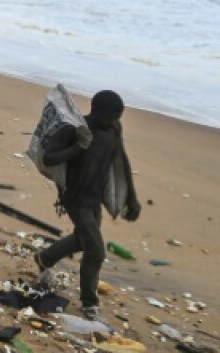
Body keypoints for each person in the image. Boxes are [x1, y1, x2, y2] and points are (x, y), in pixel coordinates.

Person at [34, 90, 141, 323]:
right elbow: (49, 158)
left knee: (83, 240)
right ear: (95, 111)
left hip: (95, 197)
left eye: (118, 119)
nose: (114, 123)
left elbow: (120, 159)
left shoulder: (114, 129)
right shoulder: (74, 128)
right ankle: (89, 303)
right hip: (74, 197)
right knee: (96, 250)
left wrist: (131, 197)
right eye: (111, 118)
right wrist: (78, 148)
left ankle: (45, 258)